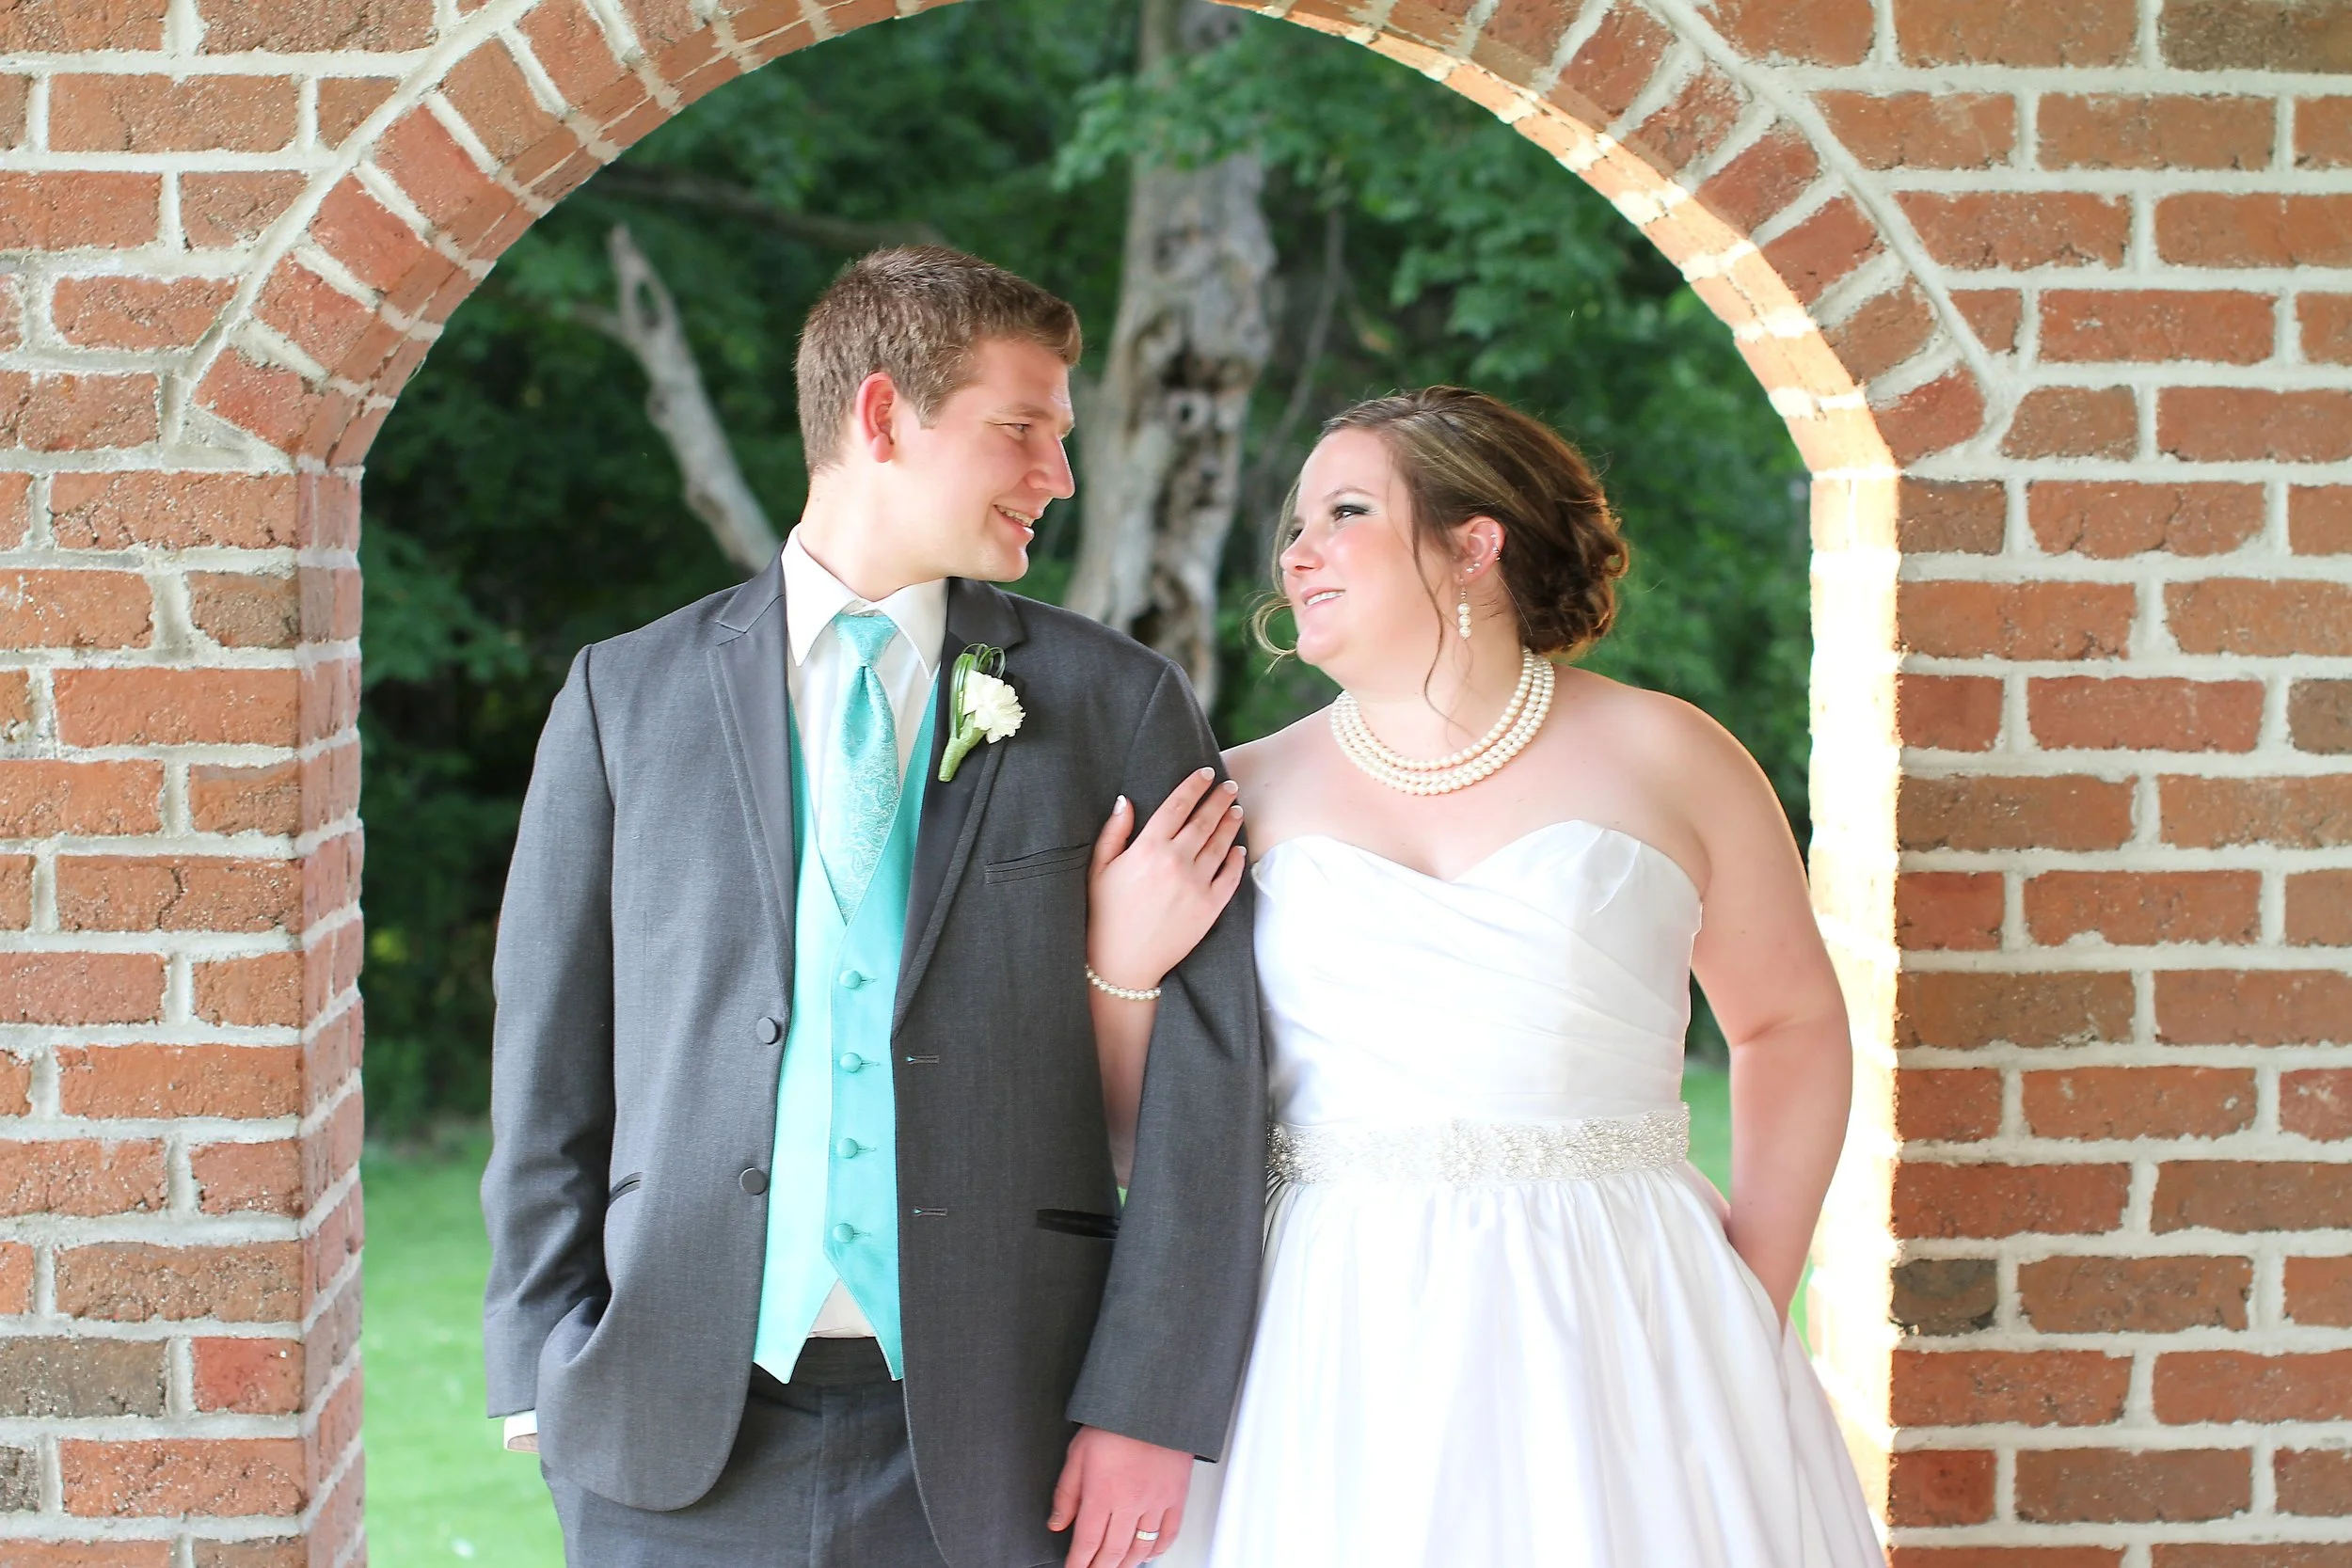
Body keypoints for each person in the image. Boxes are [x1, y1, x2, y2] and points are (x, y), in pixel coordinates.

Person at [481, 246, 1265, 1568]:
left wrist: (1146, 1402)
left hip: (1005, 1419)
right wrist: (537, 1356)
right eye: (1024, 428)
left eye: (1062, 438)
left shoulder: (1117, 702)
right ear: (885, 413)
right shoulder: (625, 696)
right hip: (669, 1415)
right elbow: (547, 1051)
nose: (1059, 475)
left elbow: (1211, 1076)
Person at [1084, 387, 1887, 1566]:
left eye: (1343, 512)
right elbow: (1136, 1137)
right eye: (1295, 526)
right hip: (1331, 1329)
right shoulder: (1235, 793)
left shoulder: (1673, 755)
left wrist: (1751, 1294)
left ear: (1474, 544)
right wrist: (1119, 963)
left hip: (1629, 1304)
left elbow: (1788, 1021)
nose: (1296, 553)